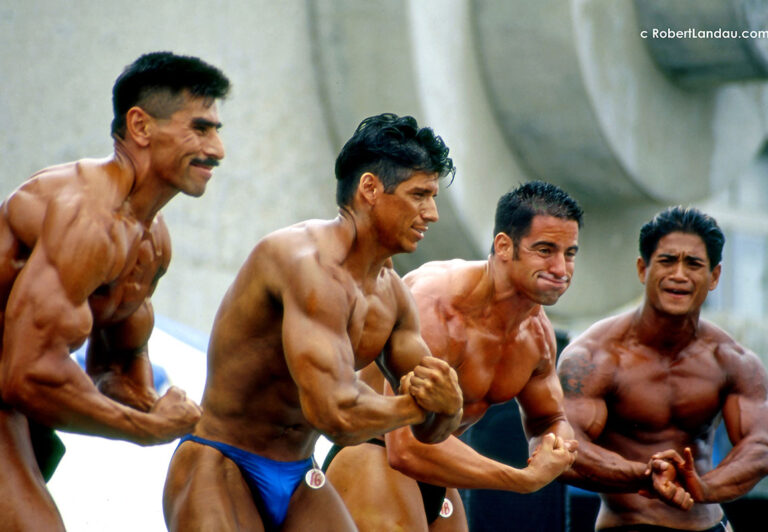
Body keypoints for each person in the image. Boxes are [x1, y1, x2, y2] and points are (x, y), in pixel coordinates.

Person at [163, 113, 465, 531]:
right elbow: (336, 417)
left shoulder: (393, 297)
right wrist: (424, 405)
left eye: (433, 197)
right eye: (419, 195)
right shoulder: (304, 264)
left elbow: (434, 431)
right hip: (221, 458)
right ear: (370, 189)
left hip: (300, 473)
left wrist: (449, 407)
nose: (431, 213)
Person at [0, 51, 230, 530]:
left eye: (218, 130)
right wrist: (148, 429)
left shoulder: (152, 240)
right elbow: (26, 374)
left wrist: (177, 415)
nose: (218, 149)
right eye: (201, 129)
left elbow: (116, 368)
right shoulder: (87, 217)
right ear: (141, 127)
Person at [324, 181, 581, 531]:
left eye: (569, 253)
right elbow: (406, 447)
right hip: (376, 452)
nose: (560, 269)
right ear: (504, 246)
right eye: (545, 250)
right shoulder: (438, 308)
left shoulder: (537, 336)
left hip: (440, 471)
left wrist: (555, 447)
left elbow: (548, 419)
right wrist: (522, 479)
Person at [557, 206, 768, 531]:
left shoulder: (732, 360)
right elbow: (564, 449)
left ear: (714, 276)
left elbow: (760, 446)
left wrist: (704, 487)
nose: (679, 274)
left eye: (694, 263)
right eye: (667, 261)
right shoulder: (593, 356)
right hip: (627, 525)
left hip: (706, 524)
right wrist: (641, 474)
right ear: (643, 269)